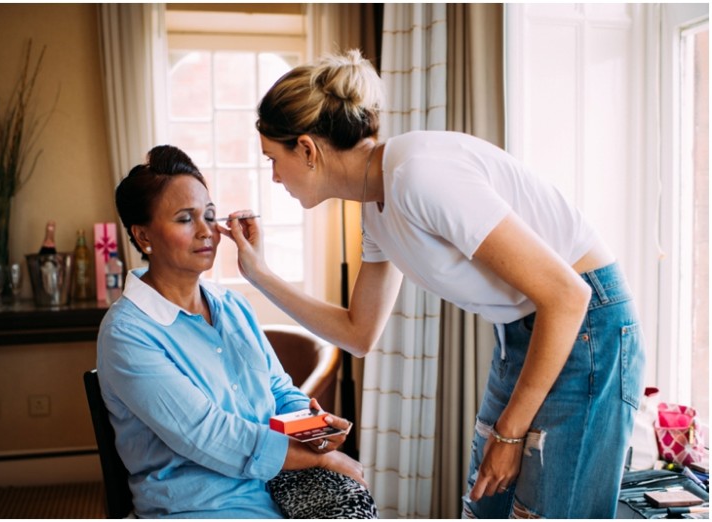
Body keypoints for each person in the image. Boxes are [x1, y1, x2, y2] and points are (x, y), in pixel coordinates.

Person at [219, 50, 646, 519]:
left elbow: (568, 295)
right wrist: (259, 274)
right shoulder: (376, 204)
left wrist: (508, 435)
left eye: (273, 160)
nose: (275, 177)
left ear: (306, 148)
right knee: (486, 505)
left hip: (585, 329)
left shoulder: (419, 174)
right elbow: (359, 334)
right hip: (523, 334)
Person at [97, 145, 373, 518]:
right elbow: (208, 435)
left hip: (275, 486)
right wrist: (318, 460)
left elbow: (276, 389)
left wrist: (315, 429)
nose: (206, 231)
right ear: (144, 236)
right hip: (202, 506)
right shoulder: (127, 335)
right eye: (185, 219)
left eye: (210, 215)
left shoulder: (232, 306)